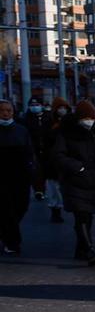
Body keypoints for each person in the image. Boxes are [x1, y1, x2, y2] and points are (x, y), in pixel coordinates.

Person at [51, 101, 95, 265]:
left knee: (87, 217)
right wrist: (77, 167)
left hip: (93, 180)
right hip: (74, 180)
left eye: (92, 118)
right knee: (81, 215)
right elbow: (58, 156)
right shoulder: (65, 132)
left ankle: (80, 249)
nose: (89, 121)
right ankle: (89, 249)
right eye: (86, 118)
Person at [0, 100, 36, 256]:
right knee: (6, 209)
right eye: (2, 110)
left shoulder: (21, 130)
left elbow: (29, 152)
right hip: (1, 177)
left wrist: (32, 171)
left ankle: (7, 233)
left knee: (21, 206)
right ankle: (12, 241)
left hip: (20, 177)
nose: (6, 113)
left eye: (9, 110)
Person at [43, 97, 72, 223]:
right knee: (53, 187)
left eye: (65, 108)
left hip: (67, 158)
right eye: (60, 108)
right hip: (52, 160)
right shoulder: (49, 122)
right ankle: (55, 210)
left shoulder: (71, 121)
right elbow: (46, 140)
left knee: (64, 186)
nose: (62, 110)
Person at [22, 97, 48, 200]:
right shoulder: (26, 119)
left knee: (47, 170)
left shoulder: (48, 117)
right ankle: (39, 190)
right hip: (33, 148)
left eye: (37, 105)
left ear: (41, 105)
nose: (34, 107)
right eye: (32, 105)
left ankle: (46, 189)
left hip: (47, 148)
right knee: (36, 170)